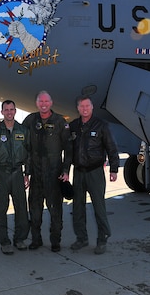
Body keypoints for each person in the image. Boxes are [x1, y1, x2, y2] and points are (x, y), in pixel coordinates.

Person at [67, 95, 119, 255]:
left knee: (99, 207)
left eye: (87, 106)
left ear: (92, 107)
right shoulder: (73, 126)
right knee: (78, 207)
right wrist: (65, 171)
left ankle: (102, 239)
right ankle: (81, 238)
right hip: (78, 172)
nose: (84, 109)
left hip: (95, 172)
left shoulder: (101, 125)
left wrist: (114, 169)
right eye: (81, 106)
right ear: (78, 108)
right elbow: (69, 151)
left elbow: (111, 147)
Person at [22, 91, 71, 252]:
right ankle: (36, 240)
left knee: (56, 211)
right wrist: (26, 173)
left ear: (51, 103)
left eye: (46, 101)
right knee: (35, 211)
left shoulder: (59, 122)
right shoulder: (30, 120)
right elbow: (19, 136)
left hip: (54, 174)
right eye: (40, 101)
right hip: (36, 175)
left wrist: (65, 170)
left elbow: (68, 149)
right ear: (36, 103)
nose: (43, 104)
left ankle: (55, 241)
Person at [0, 100, 30, 255]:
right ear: (2, 112)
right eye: (6, 110)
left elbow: (28, 154)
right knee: (1, 209)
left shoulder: (23, 130)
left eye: (12, 109)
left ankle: (20, 239)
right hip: (1, 174)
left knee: (21, 209)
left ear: (15, 111)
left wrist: (27, 174)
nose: (9, 112)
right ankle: (4, 242)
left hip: (18, 173)